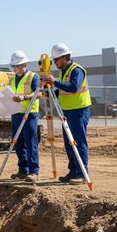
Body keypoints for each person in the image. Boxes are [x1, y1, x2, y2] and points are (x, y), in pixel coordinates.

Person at [43, 43, 91, 185]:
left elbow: (73, 88)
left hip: (79, 111)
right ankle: (73, 171)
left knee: (78, 142)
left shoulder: (77, 70)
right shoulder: (64, 72)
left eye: (57, 60)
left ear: (64, 57)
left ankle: (82, 173)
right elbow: (62, 91)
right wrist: (48, 91)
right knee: (69, 143)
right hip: (67, 112)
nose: (55, 63)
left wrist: (55, 81)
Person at [9, 51, 41, 182]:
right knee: (18, 142)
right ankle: (23, 170)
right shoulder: (13, 78)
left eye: (17, 66)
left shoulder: (33, 77)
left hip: (29, 114)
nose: (15, 69)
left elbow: (39, 94)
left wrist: (23, 97)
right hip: (16, 113)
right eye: (13, 66)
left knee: (30, 142)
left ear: (24, 64)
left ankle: (33, 171)